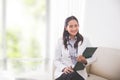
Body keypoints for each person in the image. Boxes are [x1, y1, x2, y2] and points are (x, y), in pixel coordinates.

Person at [54, 16, 96, 80]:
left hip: (79, 73)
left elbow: (94, 57)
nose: (74, 28)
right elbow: (56, 60)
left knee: (73, 75)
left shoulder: (85, 40)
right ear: (66, 28)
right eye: (71, 26)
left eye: (76, 26)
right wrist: (64, 68)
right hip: (65, 71)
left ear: (78, 26)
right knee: (70, 75)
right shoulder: (60, 41)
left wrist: (85, 60)